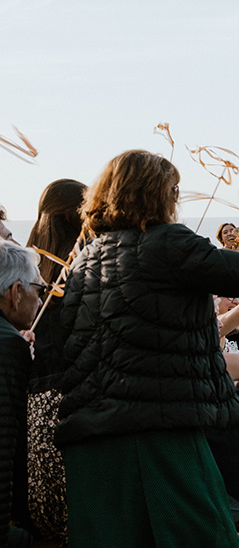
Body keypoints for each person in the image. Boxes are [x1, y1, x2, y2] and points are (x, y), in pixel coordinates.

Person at [56, 150, 239, 548]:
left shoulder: (86, 259)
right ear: (154, 193)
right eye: (173, 189)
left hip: (90, 437)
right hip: (155, 430)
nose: (176, 198)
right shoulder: (167, 242)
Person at [24, 178, 87, 543]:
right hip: (76, 403)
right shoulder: (82, 275)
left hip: (36, 409)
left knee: (51, 520)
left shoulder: (25, 274)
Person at [0, 240, 43, 547]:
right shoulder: (8, 347)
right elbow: (4, 443)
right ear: (16, 293)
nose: (40, 302)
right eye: (38, 291)